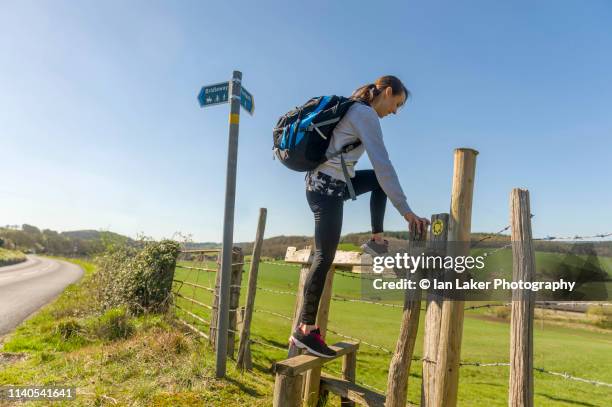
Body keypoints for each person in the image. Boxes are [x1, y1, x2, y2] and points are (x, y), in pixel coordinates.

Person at [289, 75, 430, 358]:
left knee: (377, 182)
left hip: (332, 182)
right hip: (325, 188)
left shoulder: (356, 109)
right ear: (387, 92)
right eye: (396, 104)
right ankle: (305, 330)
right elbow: (383, 163)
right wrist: (406, 211)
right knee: (323, 256)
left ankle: (376, 240)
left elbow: (379, 174)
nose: (395, 111)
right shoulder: (365, 114)